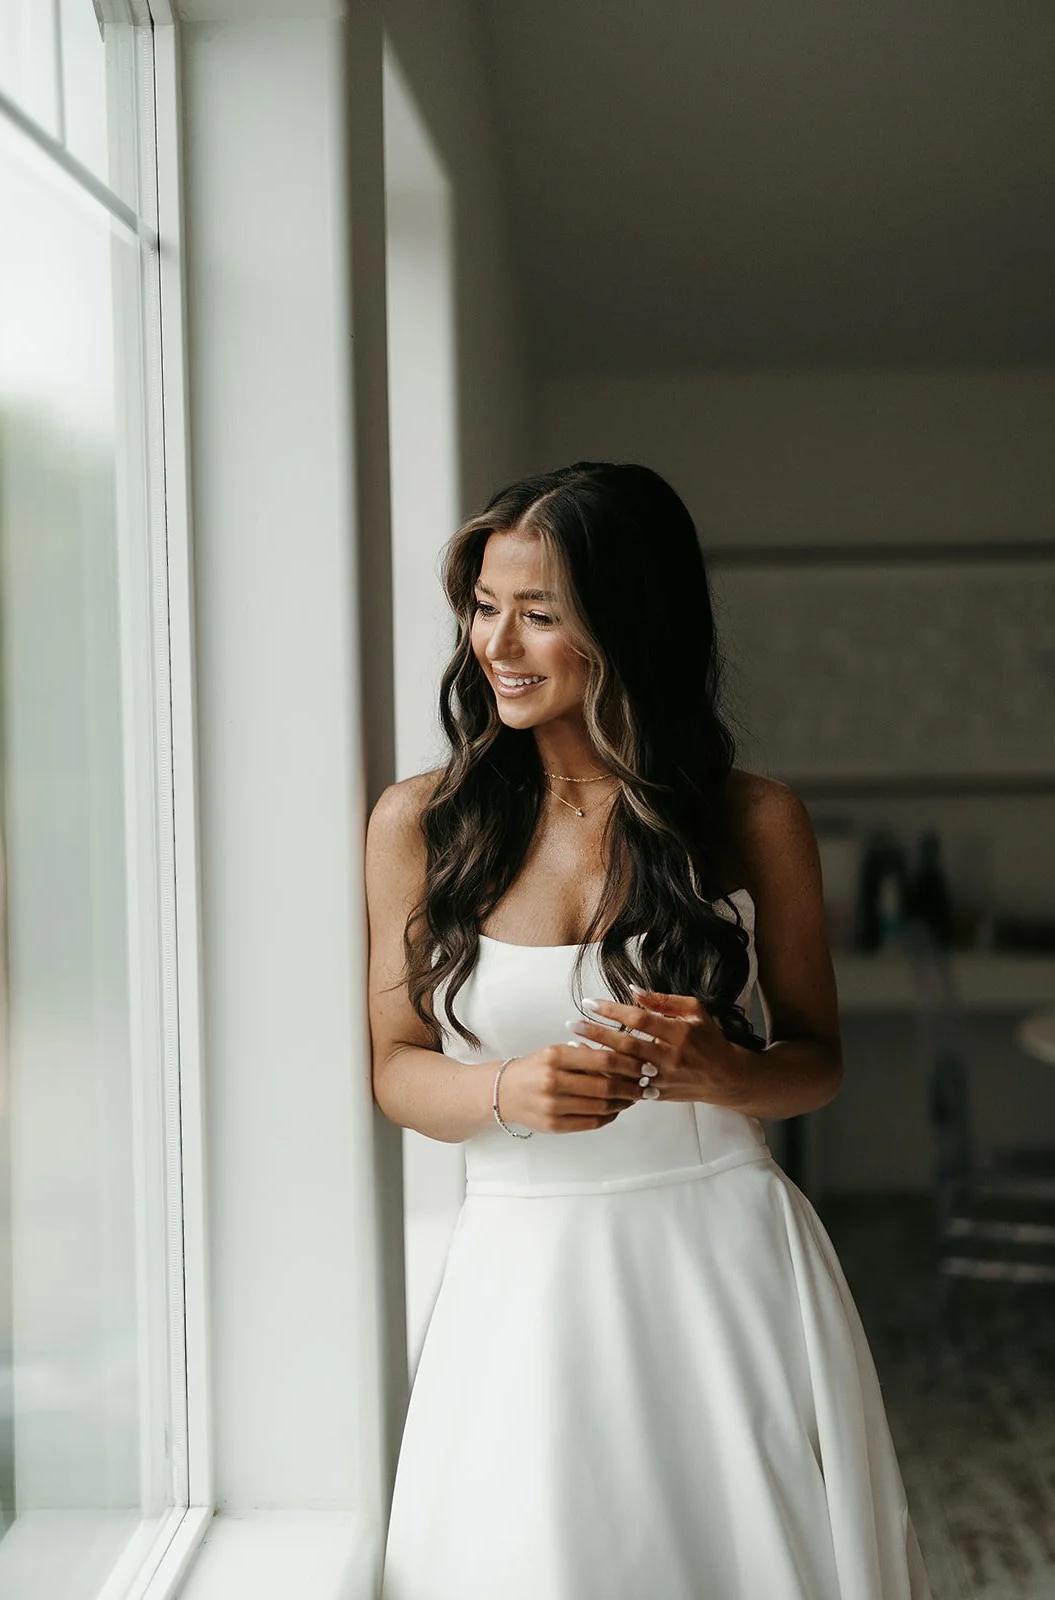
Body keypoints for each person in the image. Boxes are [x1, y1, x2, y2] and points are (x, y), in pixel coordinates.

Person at [366, 462, 931, 1599]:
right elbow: (392, 1067)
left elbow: (814, 1063)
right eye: (483, 606)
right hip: (519, 1277)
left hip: (721, 1266)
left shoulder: (750, 819)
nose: (497, 644)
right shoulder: (421, 821)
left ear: (627, 624)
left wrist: (725, 1069)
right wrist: (500, 1094)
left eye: (539, 614)